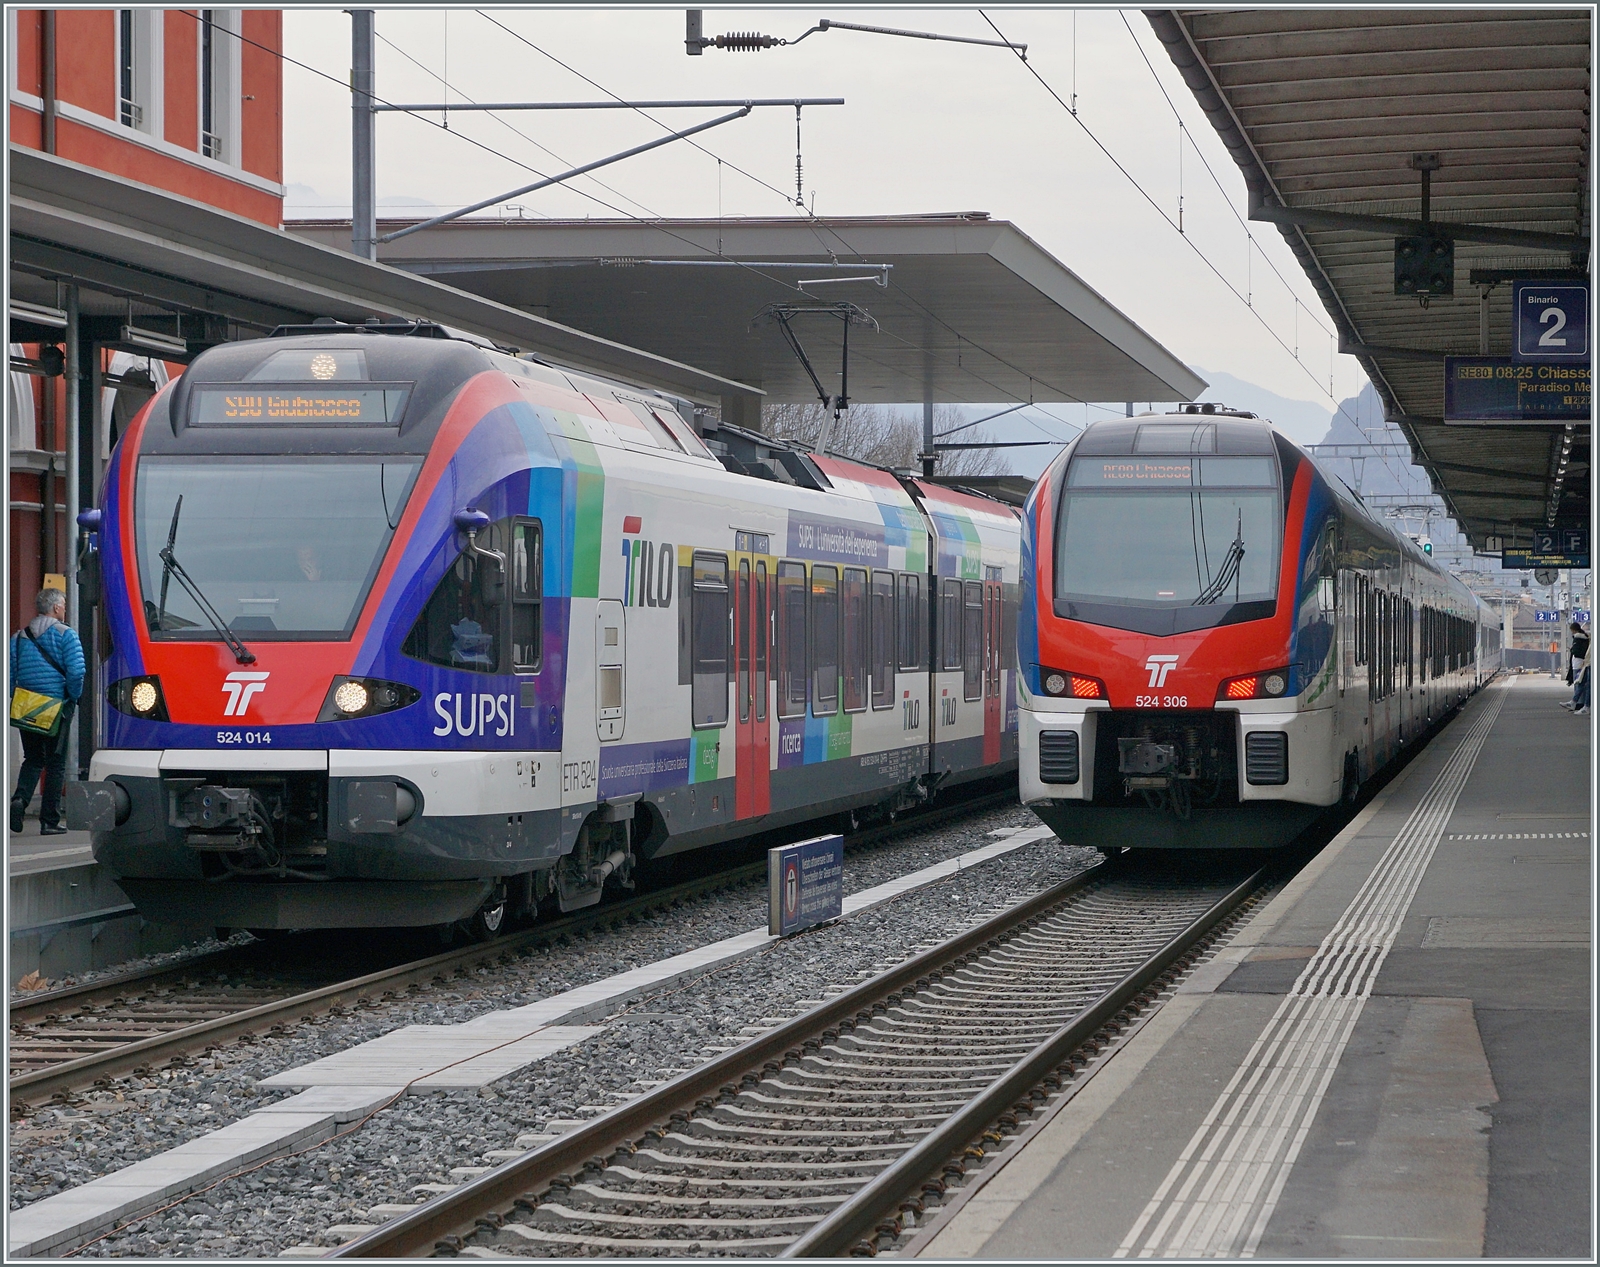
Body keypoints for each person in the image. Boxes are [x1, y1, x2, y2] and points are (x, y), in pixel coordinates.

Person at [9, 589, 85, 835]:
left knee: (32, 759)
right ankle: (49, 821)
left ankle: (19, 800)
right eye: (63, 605)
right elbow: (76, 672)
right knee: (55, 763)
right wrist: (73, 696)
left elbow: (9, 673)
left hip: (27, 704)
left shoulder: (19, 637)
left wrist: (16, 696)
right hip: (57, 706)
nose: (64, 608)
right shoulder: (66, 634)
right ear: (55, 608)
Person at [1562, 623, 1590, 710]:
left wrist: (1572, 650)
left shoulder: (1578, 638)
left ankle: (1579, 703)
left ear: (1573, 630)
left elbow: (1578, 652)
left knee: (1579, 683)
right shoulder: (1584, 638)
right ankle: (1578, 702)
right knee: (1582, 683)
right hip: (1582, 663)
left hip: (1578, 664)